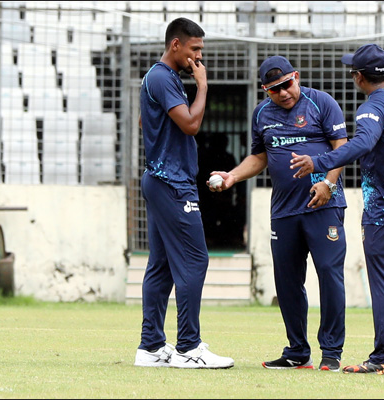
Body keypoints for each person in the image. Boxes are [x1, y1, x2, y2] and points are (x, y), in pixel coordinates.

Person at [290, 44, 384, 376]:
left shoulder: (372, 107)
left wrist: (320, 161)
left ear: (359, 77)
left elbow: (364, 142)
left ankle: (383, 358)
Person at [207, 56, 349, 372]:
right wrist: (232, 176)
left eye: (287, 84)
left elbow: (342, 145)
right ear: (265, 90)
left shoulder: (321, 103)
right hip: (284, 211)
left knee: (329, 274)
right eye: (275, 89)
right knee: (286, 283)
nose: (283, 93)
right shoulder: (261, 114)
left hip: (323, 206)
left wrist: (328, 182)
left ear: (296, 77)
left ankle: (332, 351)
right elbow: (260, 156)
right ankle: (297, 351)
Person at [133, 17, 234, 369]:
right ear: (176, 45)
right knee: (195, 259)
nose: (199, 58)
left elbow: (146, 121)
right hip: (171, 182)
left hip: (161, 179)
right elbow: (190, 125)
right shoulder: (163, 76)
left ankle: (150, 348)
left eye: (201, 51)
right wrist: (203, 87)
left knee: (161, 266)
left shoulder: (159, 78)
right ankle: (189, 347)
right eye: (195, 49)